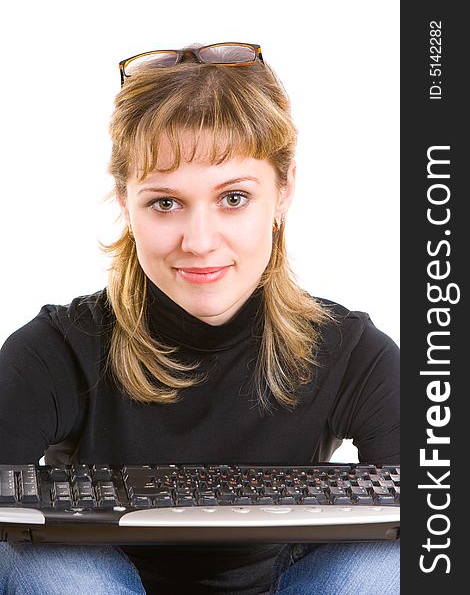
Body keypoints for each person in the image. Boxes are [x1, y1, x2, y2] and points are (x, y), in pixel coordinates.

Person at [0, 42, 400, 594]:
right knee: (40, 568)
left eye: (233, 198)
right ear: (125, 202)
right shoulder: (55, 350)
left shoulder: (353, 351)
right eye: (165, 202)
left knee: (393, 565)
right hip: (97, 579)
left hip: (289, 584)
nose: (200, 241)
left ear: (282, 194)